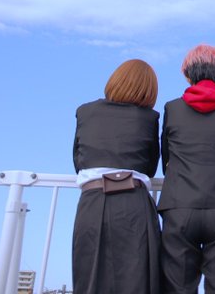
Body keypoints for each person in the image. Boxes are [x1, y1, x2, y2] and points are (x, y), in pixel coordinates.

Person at [158, 44, 215, 294]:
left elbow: (166, 157)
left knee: (177, 287)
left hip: (179, 205)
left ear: (188, 74)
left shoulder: (172, 109)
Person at [72, 59, 161, 294]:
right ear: (149, 90)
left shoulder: (85, 112)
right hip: (134, 202)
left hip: (92, 200)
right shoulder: (149, 118)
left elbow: (78, 161)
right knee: (137, 281)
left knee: (89, 279)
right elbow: (150, 166)